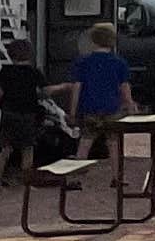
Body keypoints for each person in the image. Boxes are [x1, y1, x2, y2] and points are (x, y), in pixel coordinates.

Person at [51, 21, 137, 154]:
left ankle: (78, 171)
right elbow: (124, 87)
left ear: (92, 40)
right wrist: (129, 104)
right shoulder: (119, 63)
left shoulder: (82, 62)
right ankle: (116, 173)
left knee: (85, 142)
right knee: (114, 144)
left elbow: (76, 88)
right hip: (112, 109)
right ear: (113, 40)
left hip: (90, 109)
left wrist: (72, 112)